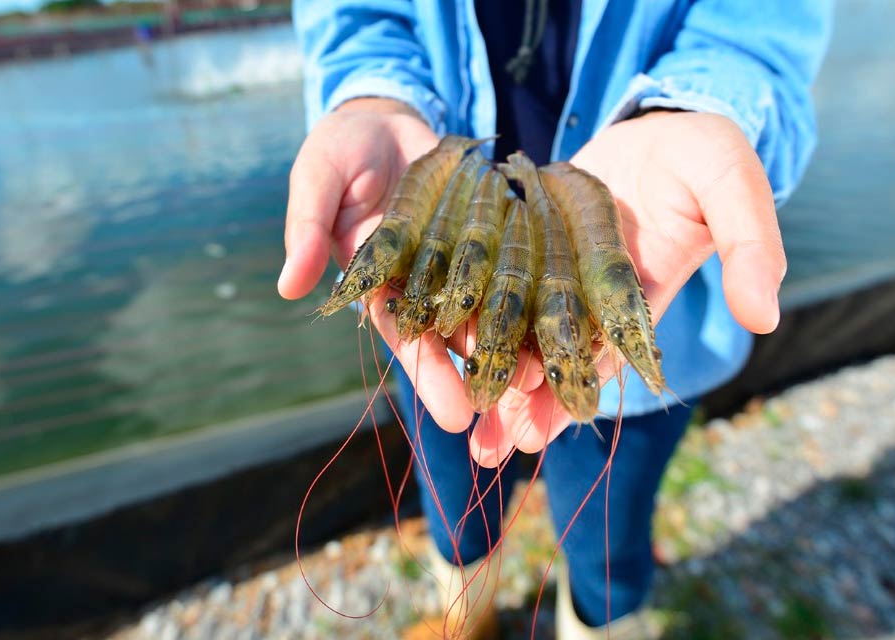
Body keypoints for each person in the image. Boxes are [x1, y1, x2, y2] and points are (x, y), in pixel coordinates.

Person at [280, 1, 832, 637]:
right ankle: (467, 620)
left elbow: (756, 34)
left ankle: (597, 619)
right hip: (442, 282)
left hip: (662, 275)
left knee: (604, 534)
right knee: (453, 506)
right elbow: (361, 21)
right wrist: (373, 99)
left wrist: (692, 106)